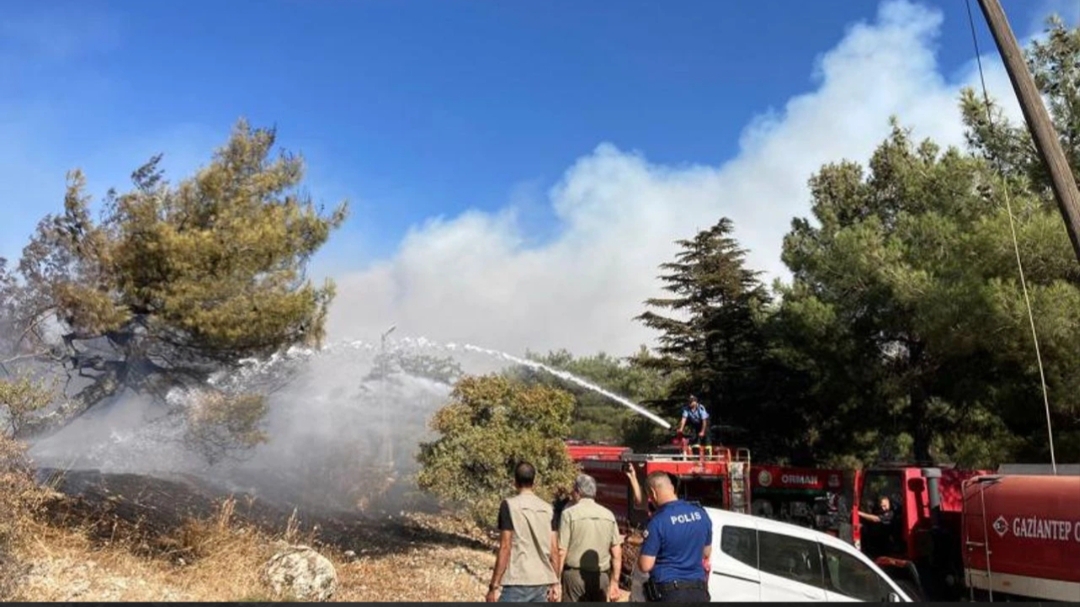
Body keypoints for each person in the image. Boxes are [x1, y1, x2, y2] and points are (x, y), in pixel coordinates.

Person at [487, 462, 560, 602]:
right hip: (541, 581)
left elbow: (505, 547)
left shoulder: (508, 505)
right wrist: (555, 582)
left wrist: (494, 585)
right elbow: (554, 550)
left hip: (517, 580)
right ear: (534, 482)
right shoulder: (548, 509)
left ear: (515, 482)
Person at [637, 472, 711, 603]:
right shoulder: (701, 513)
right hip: (699, 592)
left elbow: (645, 565)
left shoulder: (657, 521)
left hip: (670, 593)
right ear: (672, 488)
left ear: (653, 493)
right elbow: (706, 552)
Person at [555, 474, 623, 602]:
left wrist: (556, 580)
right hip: (601, 577)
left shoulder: (568, 514)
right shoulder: (608, 515)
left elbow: (561, 551)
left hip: (574, 578)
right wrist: (615, 582)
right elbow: (617, 553)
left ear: (578, 492)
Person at [676, 395, 710, 465]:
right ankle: (696, 457)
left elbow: (704, 421)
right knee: (694, 439)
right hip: (695, 424)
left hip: (704, 424)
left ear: (695, 402)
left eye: (691, 402)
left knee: (706, 439)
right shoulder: (686, 409)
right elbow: (684, 419)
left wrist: (703, 431)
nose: (689, 403)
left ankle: (708, 457)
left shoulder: (701, 408)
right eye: (689, 401)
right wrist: (681, 429)